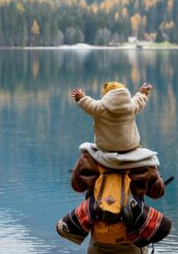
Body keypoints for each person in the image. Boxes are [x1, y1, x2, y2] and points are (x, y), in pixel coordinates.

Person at [56, 81, 171, 253]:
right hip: (132, 241)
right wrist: (142, 92)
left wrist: (80, 96)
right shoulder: (143, 163)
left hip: (99, 240)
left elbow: (77, 186)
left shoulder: (90, 159)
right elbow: (157, 193)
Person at [70, 81, 153, 153]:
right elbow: (139, 99)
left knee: (84, 149)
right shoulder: (132, 106)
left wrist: (80, 97)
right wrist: (143, 92)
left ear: (106, 94)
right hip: (130, 147)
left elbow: (87, 103)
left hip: (106, 148)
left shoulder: (99, 108)